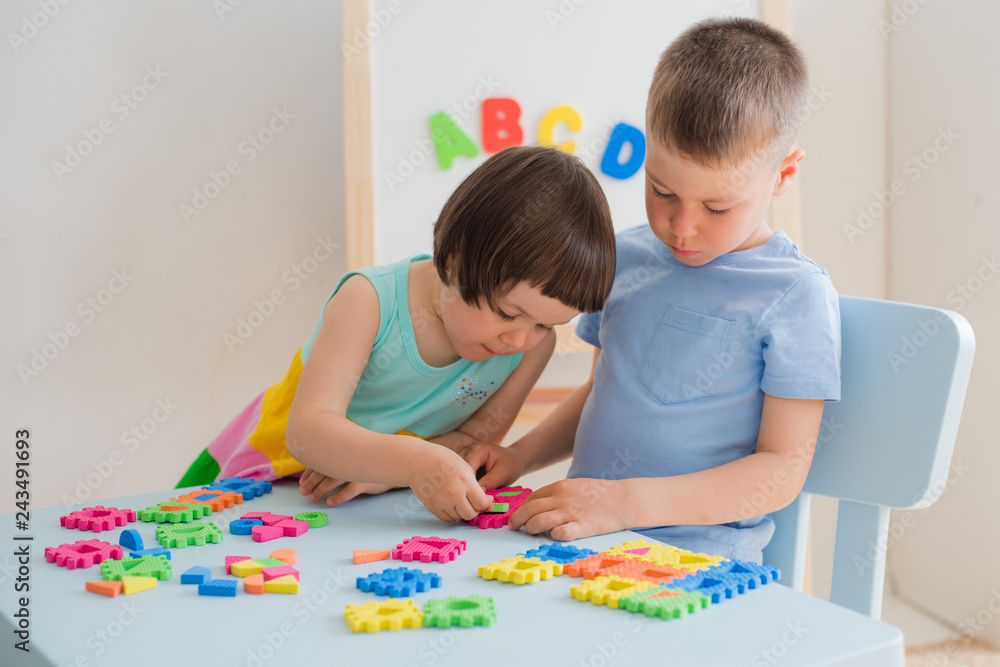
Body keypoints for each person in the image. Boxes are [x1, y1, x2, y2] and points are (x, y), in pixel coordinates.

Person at [464, 18, 841, 563]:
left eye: (717, 207)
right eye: (661, 190)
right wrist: (520, 455)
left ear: (783, 175)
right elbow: (602, 393)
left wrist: (622, 503)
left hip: (699, 561)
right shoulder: (627, 257)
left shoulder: (795, 295)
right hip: (582, 540)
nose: (681, 226)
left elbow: (780, 470)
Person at [177, 145, 617, 523]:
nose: (520, 341)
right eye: (507, 312)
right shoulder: (367, 301)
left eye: (545, 324)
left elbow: (474, 446)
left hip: (367, 504)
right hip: (271, 479)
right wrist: (410, 463)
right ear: (454, 260)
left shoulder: (530, 351)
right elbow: (309, 433)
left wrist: (381, 471)